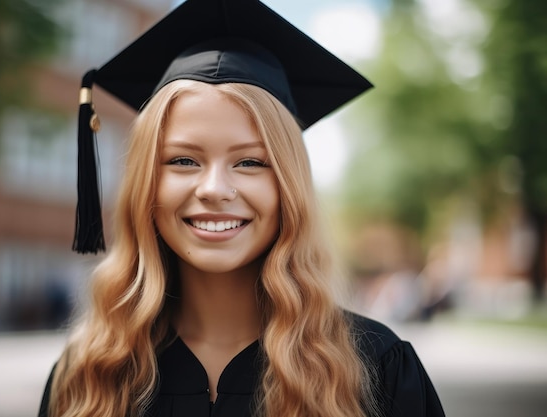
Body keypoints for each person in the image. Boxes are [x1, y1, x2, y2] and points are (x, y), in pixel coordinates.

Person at [39, 0, 445, 416]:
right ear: (146, 183)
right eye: (183, 160)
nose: (215, 189)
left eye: (250, 161)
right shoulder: (88, 375)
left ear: (289, 184)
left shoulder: (378, 369)